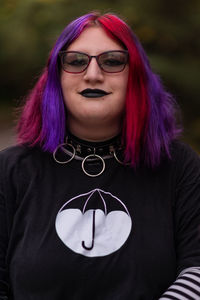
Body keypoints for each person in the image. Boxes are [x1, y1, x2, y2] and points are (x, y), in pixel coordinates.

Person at [0, 11, 199, 300]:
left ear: (136, 78)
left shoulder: (180, 167)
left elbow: (196, 270)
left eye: (113, 61)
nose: (93, 74)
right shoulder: (10, 171)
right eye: (76, 61)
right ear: (56, 77)